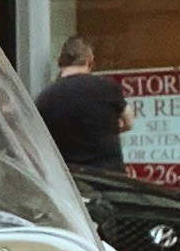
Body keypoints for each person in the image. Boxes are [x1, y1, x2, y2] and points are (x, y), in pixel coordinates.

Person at [34, 35, 127, 174]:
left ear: (60, 61)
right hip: (109, 178)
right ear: (90, 61)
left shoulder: (45, 97)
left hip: (71, 179)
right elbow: (129, 121)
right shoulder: (107, 87)